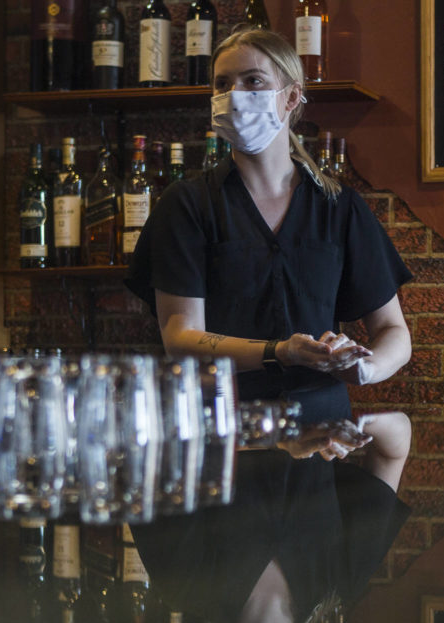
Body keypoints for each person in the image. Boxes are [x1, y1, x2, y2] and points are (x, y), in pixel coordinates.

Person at [125, 28, 412, 422]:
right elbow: (180, 339)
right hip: (224, 428)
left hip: (323, 432)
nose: (235, 94)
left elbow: (394, 332)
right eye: (222, 84)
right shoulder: (187, 205)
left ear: (292, 97)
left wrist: (365, 367)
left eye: (253, 81)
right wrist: (280, 351)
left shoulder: (338, 207)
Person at [130, 412, 413, 623]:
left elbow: (151, 442)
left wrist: (273, 435)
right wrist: (357, 426)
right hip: (317, 378)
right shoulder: (340, 579)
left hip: (224, 372)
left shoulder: (185, 583)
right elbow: (393, 450)